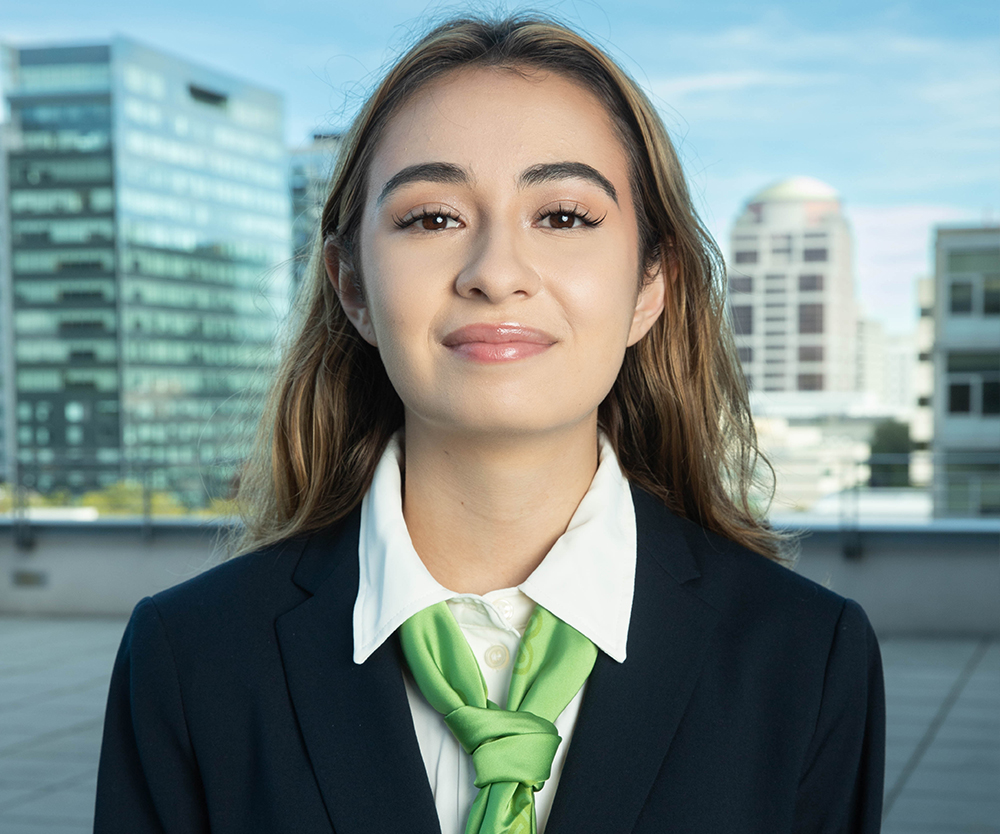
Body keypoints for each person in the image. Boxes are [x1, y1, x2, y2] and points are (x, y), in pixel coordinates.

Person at [94, 14, 885, 834]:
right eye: (433, 218)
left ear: (652, 282)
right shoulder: (190, 658)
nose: (496, 273)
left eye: (565, 216)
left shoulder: (808, 656)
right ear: (353, 286)